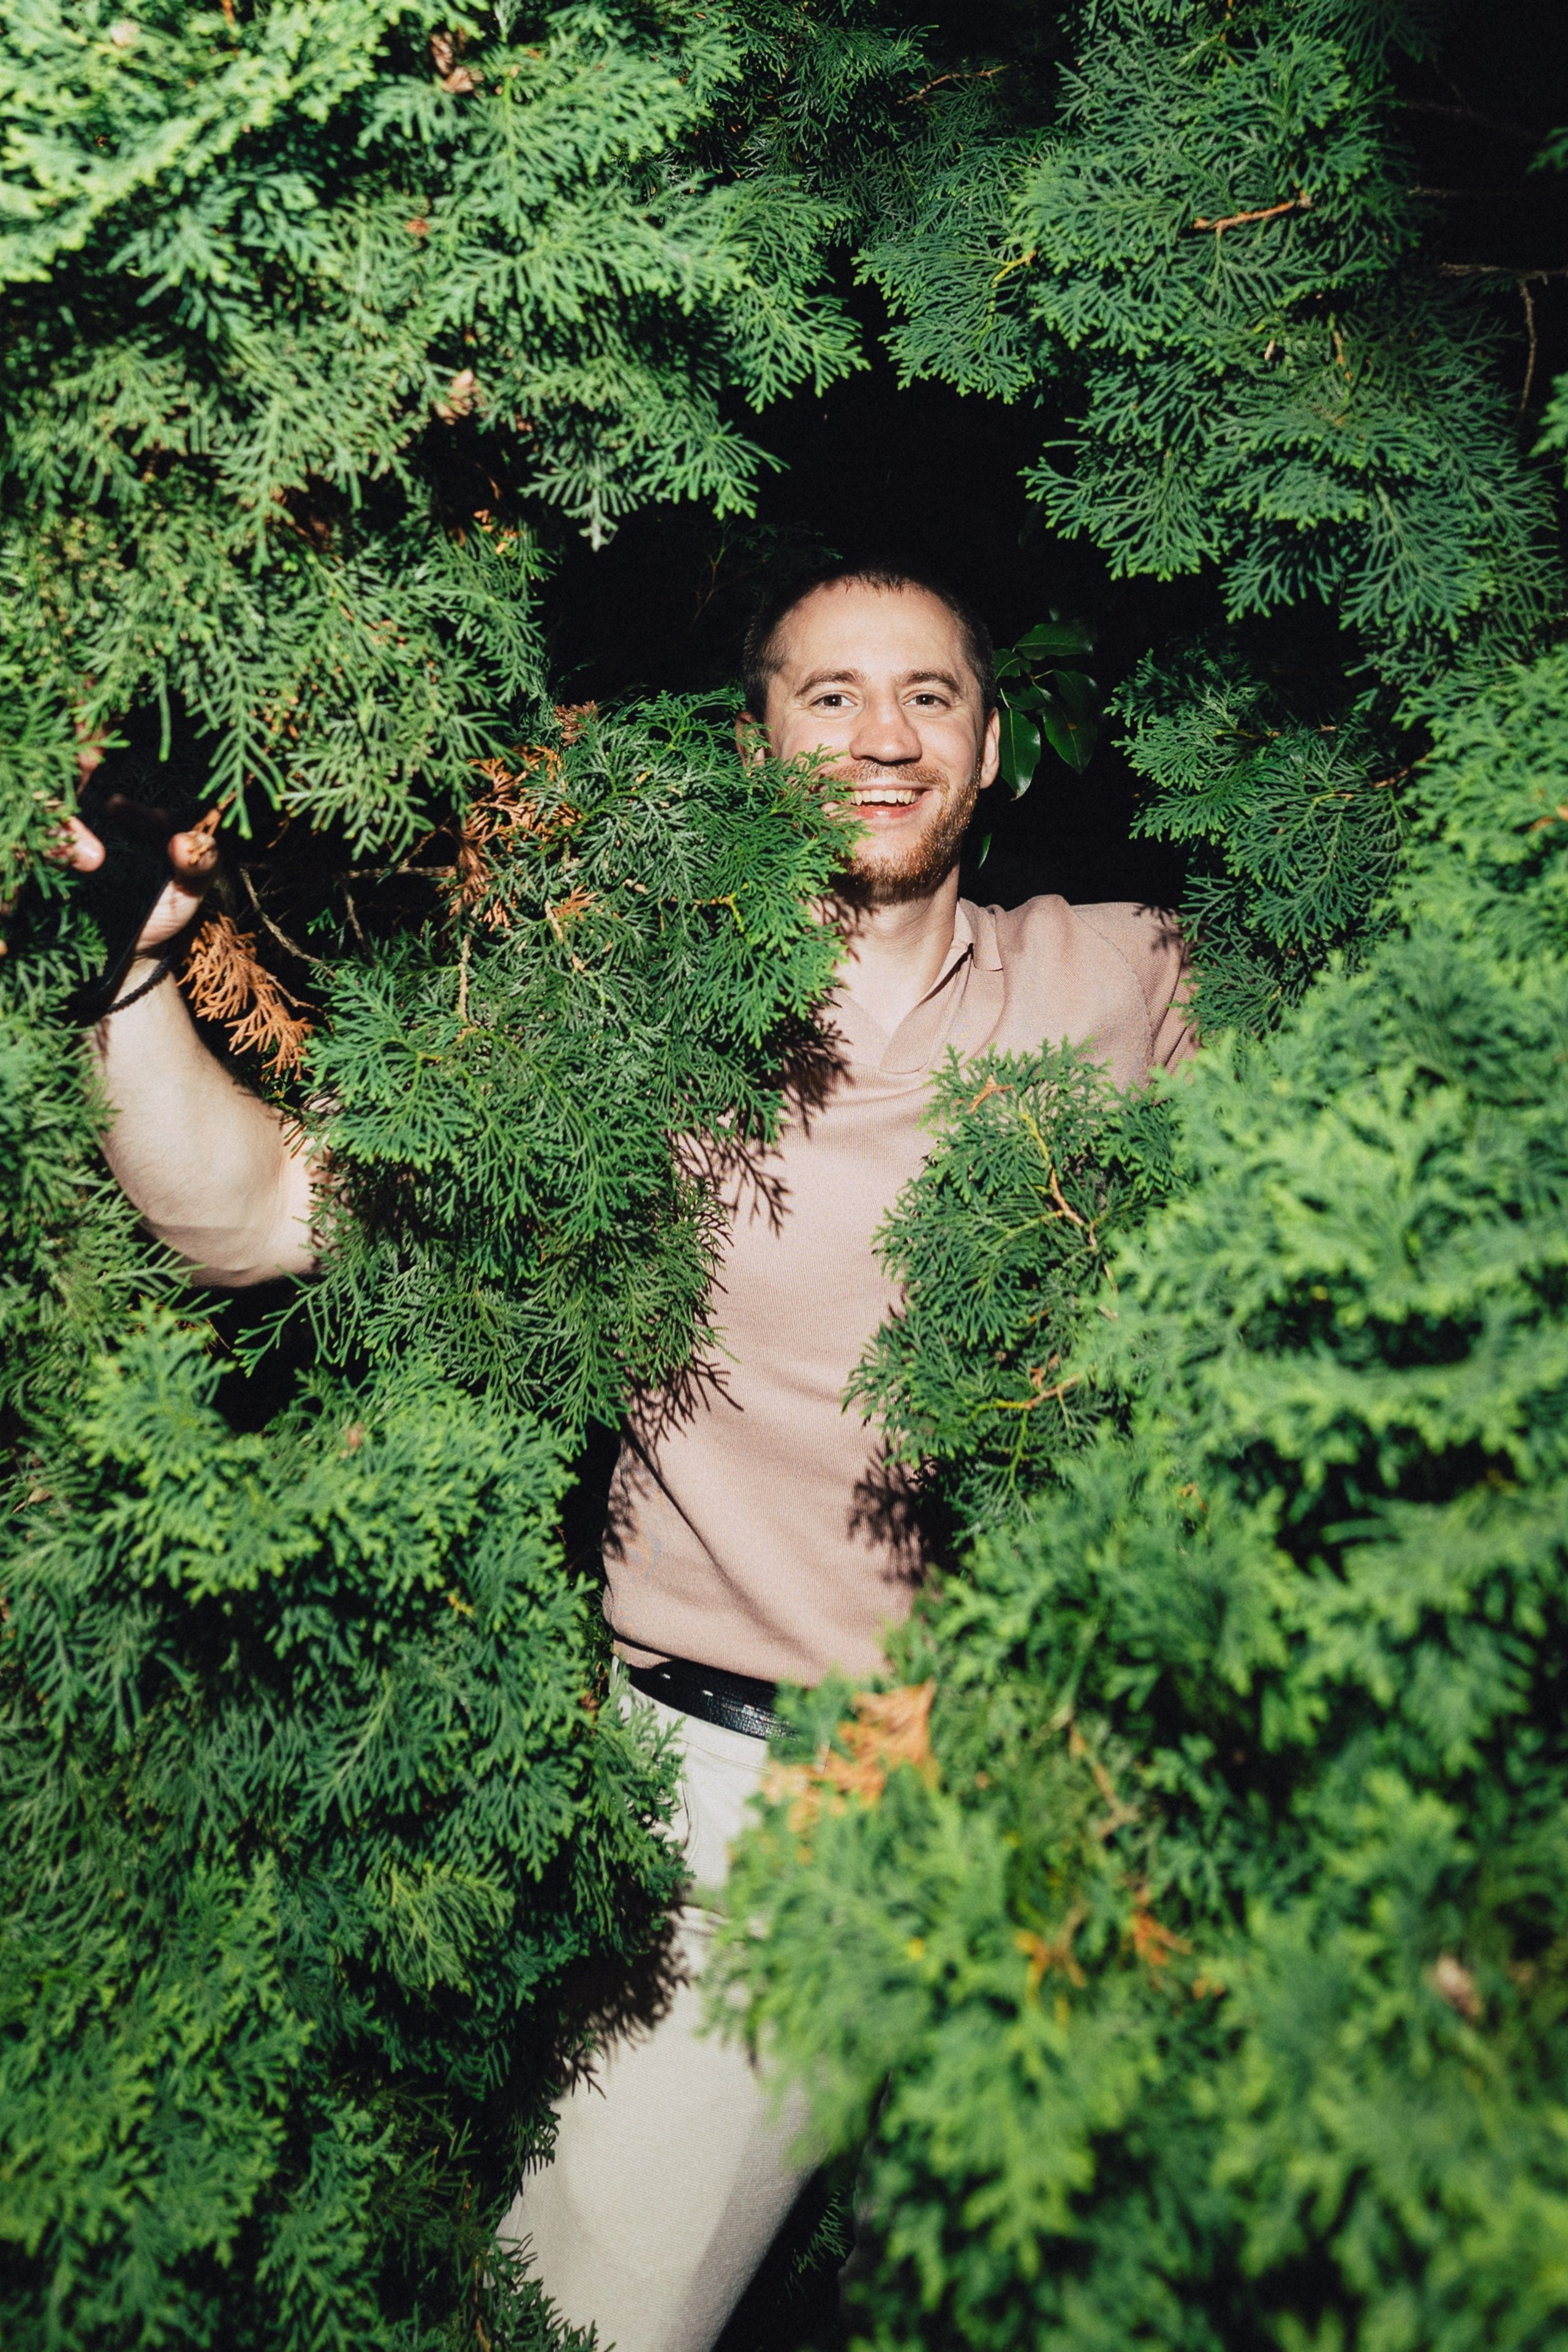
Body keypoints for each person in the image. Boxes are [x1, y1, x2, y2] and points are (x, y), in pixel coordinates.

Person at [61, 565, 1194, 2352]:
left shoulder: (1128, 981)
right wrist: (132, 984)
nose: (880, 737)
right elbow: (266, 1216)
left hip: (1072, 1798)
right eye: (826, 696)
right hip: (743, 1809)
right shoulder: (622, 1023)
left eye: (929, 696)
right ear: (757, 740)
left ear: (989, 748)